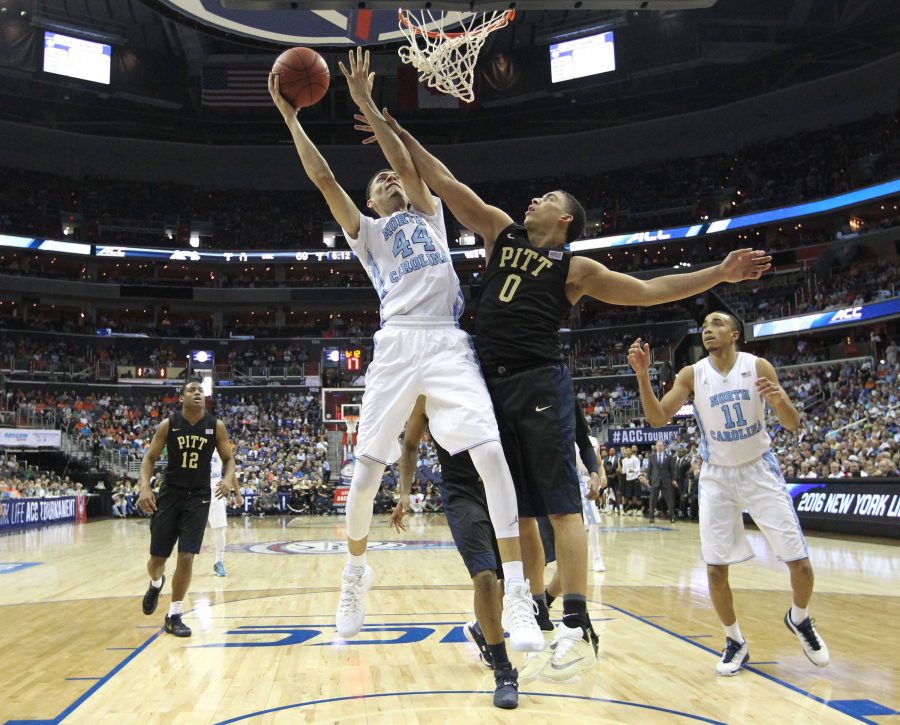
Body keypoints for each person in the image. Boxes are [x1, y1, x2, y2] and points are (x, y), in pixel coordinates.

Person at [355, 103, 771, 680]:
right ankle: (529, 608)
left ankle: (576, 622)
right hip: (487, 382)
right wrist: (394, 131)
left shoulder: (573, 268)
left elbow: (651, 290)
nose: (533, 202)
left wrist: (718, 275)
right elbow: (445, 184)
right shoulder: (500, 231)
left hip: (538, 381)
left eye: (546, 199)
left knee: (560, 506)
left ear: (566, 220)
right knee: (519, 511)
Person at [269, 49, 541, 650]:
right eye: (379, 182)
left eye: (392, 175)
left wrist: (367, 104)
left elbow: (403, 161)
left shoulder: (428, 213)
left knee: (491, 456)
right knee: (364, 479)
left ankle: (520, 595)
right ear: (370, 202)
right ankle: (354, 574)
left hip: (446, 342)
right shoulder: (366, 233)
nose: (389, 179)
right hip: (395, 345)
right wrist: (290, 118)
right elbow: (322, 179)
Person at [627, 311, 829, 675]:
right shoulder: (692, 373)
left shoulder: (758, 366)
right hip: (716, 476)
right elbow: (658, 418)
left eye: (717, 323)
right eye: (704, 326)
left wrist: (781, 400)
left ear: (735, 333)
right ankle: (734, 640)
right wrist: (643, 378)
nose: (708, 329)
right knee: (716, 569)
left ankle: (799, 618)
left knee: (800, 564)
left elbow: (793, 424)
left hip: (759, 469)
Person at [391, 396, 518, 710]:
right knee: (485, 575)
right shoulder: (425, 395)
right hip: (461, 489)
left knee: (510, 578)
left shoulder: (491, 376)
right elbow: (409, 445)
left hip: (503, 481)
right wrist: (405, 492)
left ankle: (480, 627)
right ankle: (504, 671)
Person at [137, 378, 241, 637]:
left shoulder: (215, 426)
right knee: (157, 560)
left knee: (187, 556)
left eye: (200, 391)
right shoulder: (169, 424)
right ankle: (155, 583)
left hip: (199, 496)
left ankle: (174, 614)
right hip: (170, 494)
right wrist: (145, 487)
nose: (197, 393)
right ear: (181, 398)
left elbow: (229, 459)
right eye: (191, 390)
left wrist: (228, 480)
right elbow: (149, 458)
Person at [207, 449, 231, 577]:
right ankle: (182, 563)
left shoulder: (221, 448)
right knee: (188, 528)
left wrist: (237, 494)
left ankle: (219, 562)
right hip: (197, 490)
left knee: (220, 529)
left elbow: (230, 472)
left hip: (216, 490)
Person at [647, 440, 677, 523]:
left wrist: (673, 479)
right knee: (652, 500)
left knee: (669, 500)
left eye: (661, 445)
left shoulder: (668, 456)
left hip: (666, 481)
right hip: (655, 481)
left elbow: (672, 470)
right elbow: (649, 469)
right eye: (658, 445)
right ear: (656, 447)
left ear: (663, 447)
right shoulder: (651, 457)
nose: (659, 447)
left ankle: (672, 517)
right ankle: (651, 517)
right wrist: (647, 479)